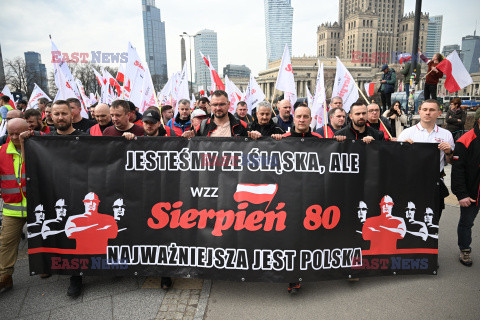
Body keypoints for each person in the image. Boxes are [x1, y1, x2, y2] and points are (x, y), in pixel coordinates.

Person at [398, 99, 454, 220]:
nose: (428, 113)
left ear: (439, 113)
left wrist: (449, 152)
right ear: (420, 111)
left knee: (433, 219)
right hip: (411, 184)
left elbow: (450, 161)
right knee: (411, 218)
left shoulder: (446, 135)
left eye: (432, 110)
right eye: (425, 109)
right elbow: (397, 161)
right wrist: (403, 148)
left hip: (434, 183)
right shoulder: (407, 133)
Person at [65, 192, 118, 297]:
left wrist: (82, 230)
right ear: (84, 203)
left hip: (102, 253)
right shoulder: (74, 219)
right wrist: (95, 227)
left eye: (94, 202)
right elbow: (70, 233)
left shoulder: (108, 218)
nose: (91, 204)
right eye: (88, 202)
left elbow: (113, 233)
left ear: (97, 204)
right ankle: (75, 280)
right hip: (81, 254)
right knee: (76, 263)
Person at [0, 118, 29, 292]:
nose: (15, 137)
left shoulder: (37, 147)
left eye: (19, 133)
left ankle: (43, 269)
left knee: (41, 238)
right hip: (12, 208)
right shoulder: (2, 151)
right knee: (6, 243)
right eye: (11, 133)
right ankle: (5, 276)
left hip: (36, 206)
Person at [451, 109, 480, 266]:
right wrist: (461, 194)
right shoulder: (465, 140)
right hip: (472, 193)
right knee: (467, 223)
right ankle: (465, 250)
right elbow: (457, 171)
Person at [184, 90, 257, 138]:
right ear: (210, 105)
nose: (218, 108)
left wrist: (257, 136)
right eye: (215, 105)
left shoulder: (241, 125)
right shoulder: (203, 126)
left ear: (228, 104)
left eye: (222, 104)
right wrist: (186, 138)